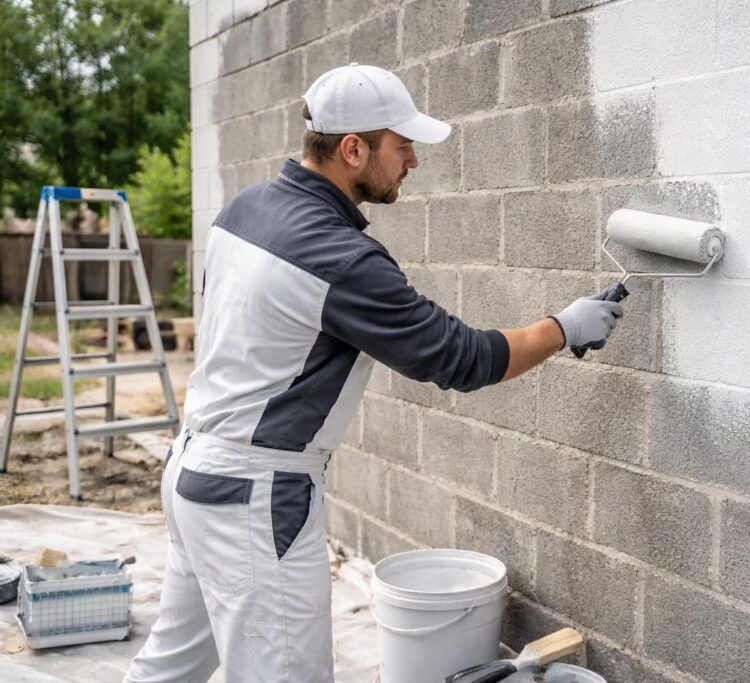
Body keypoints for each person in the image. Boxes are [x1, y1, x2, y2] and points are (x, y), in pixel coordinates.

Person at [123, 63, 623, 683]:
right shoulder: (336, 256)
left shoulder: (246, 209)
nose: (412, 160)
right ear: (353, 149)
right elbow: (459, 358)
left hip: (192, 472)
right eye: (401, 144)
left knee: (170, 667)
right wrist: (564, 327)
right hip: (253, 495)